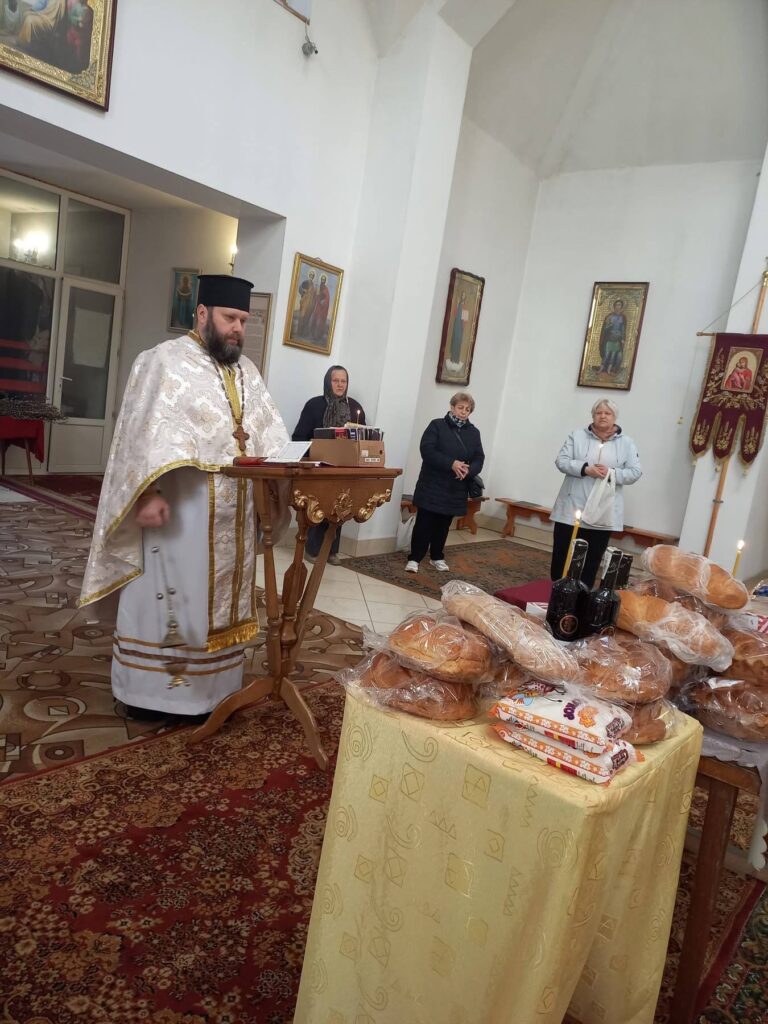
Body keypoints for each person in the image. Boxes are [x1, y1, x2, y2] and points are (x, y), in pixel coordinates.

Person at [79, 275, 290, 720]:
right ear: (202, 313)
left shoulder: (247, 373)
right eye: (230, 318)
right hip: (178, 515)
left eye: (244, 320)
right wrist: (147, 494)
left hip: (234, 516)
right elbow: (139, 438)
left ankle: (216, 693)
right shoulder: (162, 361)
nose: (238, 329)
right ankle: (152, 696)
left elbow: (271, 436)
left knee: (216, 604)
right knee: (173, 597)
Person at [550, 398, 642, 588]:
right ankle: (557, 590)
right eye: (599, 412)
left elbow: (635, 472)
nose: (603, 416)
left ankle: (582, 593)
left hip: (602, 511)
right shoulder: (577, 436)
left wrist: (610, 473)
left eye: (607, 413)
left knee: (591, 560)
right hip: (572, 507)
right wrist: (585, 469)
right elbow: (561, 461)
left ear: (614, 417)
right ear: (593, 415)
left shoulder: (626, 443)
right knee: (562, 555)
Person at [292, 365, 365, 564]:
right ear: (327, 382)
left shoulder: (354, 407)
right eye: (335, 380)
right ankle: (312, 550)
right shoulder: (314, 405)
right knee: (319, 508)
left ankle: (331, 551)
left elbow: (362, 438)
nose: (340, 385)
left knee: (340, 508)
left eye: (344, 381)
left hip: (344, 468)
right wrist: (313, 456)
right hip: (318, 467)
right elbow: (299, 437)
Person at [406, 392, 484, 573]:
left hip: (455, 487)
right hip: (432, 484)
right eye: (460, 407)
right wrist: (451, 463)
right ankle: (415, 558)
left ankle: (437, 557)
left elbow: (479, 457)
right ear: (452, 407)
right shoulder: (437, 425)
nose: (463, 412)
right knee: (424, 523)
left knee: (443, 525)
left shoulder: (474, 433)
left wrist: (469, 470)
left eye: (467, 409)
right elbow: (427, 450)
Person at [598, 299, 627, 374]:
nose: (618, 306)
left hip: (617, 339)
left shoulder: (622, 317)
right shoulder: (610, 317)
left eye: (619, 305)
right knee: (607, 354)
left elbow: (623, 329)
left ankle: (609, 370)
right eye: (616, 305)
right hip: (610, 338)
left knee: (613, 356)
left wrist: (623, 338)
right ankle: (601, 369)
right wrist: (609, 325)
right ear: (614, 306)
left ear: (621, 307)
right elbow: (605, 329)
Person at [297, 269, 316, 336]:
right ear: (309, 275)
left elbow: (313, 295)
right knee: (302, 316)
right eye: (311, 275)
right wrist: (304, 291)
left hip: (309, 304)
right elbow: (300, 288)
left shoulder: (313, 284)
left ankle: (303, 333)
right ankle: (299, 332)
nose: (311, 276)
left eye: (312, 275)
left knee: (307, 318)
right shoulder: (306, 282)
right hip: (305, 303)